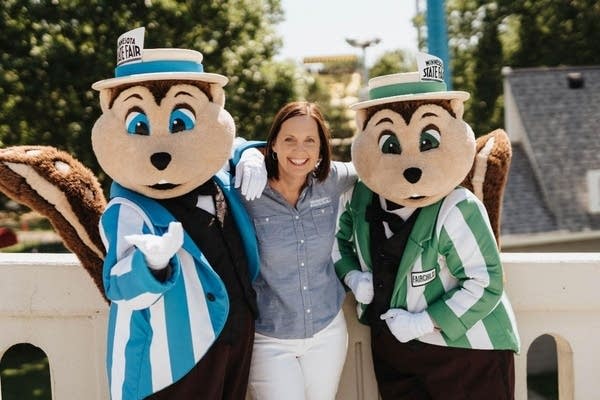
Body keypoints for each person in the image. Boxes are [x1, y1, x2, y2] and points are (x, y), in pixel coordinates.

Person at [239, 101, 358, 400]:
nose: (299, 150)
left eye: (310, 141)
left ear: (321, 149)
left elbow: (378, 168)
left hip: (328, 330)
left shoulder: (332, 181)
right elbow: (215, 146)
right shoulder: (247, 188)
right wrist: (246, 152)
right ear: (274, 143)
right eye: (289, 139)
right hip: (270, 337)